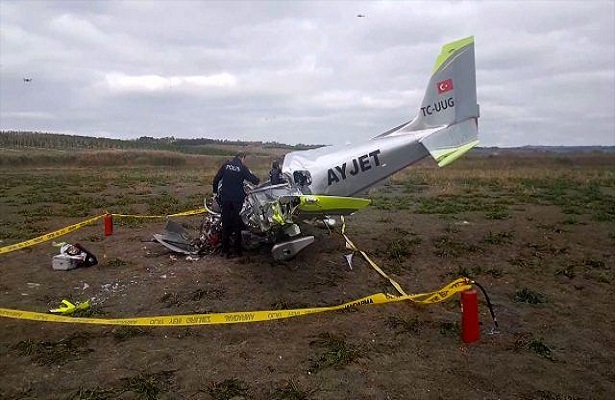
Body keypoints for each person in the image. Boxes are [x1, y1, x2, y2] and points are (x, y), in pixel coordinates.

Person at [212, 152, 260, 257]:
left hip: (225, 199)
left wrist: (215, 193)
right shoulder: (242, 168)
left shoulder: (226, 165)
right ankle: (237, 251)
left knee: (225, 224)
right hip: (237, 200)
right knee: (237, 225)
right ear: (242, 158)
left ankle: (225, 251)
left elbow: (216, 179)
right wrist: (259, 181)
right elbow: (254, 180)